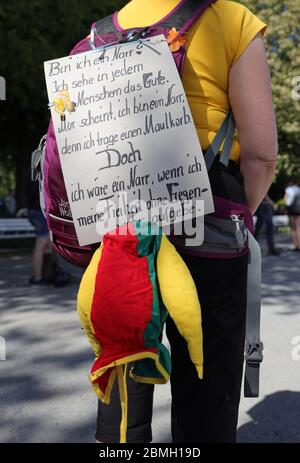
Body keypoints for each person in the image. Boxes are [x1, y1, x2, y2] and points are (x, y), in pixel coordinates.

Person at [94, 0, 278, 443]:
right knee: (206, 380)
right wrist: (239, 212)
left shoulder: (103, 31)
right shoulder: (232, 19)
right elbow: (261, 154)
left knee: (126, 364)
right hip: (208, 226)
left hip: (122, 230)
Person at [25, 170, 53, 285]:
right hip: (39, 211)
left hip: (34, 210)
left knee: (47, 245)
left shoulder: (30, 174)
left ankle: (43, 274)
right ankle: (37, 277)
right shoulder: (42, 173)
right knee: (41, 244)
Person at [284, 178, 300, 251]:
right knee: (298, 227)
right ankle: (299, 245)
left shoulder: (288, 189)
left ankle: (295, 245)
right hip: (298, 209)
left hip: (291, 209)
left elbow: (285, 201)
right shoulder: (298, 189)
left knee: (293, 228)